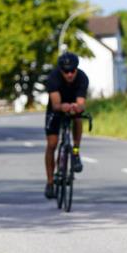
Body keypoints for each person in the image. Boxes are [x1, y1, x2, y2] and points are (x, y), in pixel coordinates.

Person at [44, 52, 89, 200]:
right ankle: (50, 183)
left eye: (72, 71)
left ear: (76, 69)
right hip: (56, 109)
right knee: (52, 144)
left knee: (77, 119)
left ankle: (75, 151)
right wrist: (63, 106)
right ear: (61, 71)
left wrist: (77, 108)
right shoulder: (53, 77)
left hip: (73, 106)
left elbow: (82, 103)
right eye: (66, 72)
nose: (69, 74)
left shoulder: (82, 78)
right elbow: (56, 104)